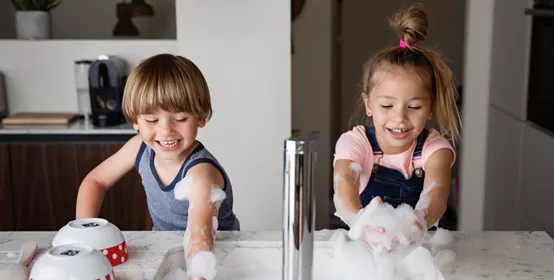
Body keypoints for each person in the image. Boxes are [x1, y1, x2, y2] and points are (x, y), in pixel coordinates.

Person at [75, 54, 240, 269]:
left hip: (220, 258)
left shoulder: (200, 173)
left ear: (200, 116)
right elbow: (96, 181)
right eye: (152, 120)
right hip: (164, 248)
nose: (165, 130)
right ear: (135, 120)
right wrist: (84, 236)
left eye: (180, 119)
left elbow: (201, 242)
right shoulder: (140, 148)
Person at [332, 4, 461, 244]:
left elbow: (437, 192)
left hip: (418, 250)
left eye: (414, 107)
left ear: (431, 106)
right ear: (368, 104)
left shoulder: (436, 150)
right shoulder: (355, 143)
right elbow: (344, 185)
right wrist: (362, 222)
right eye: (387, 106)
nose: (400, 118)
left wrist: (419, 221)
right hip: (364, 248)